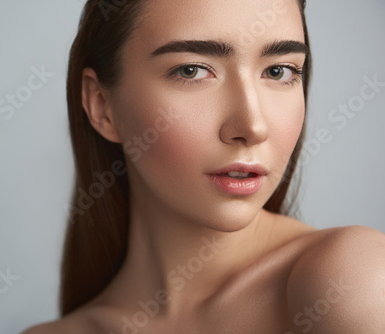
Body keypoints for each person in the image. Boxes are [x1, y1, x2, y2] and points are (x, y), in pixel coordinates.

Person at [24, 0, 385, 332]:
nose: (252, 126)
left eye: (278, 71)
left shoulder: (351, 281)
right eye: (192, 70)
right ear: (102, 105)